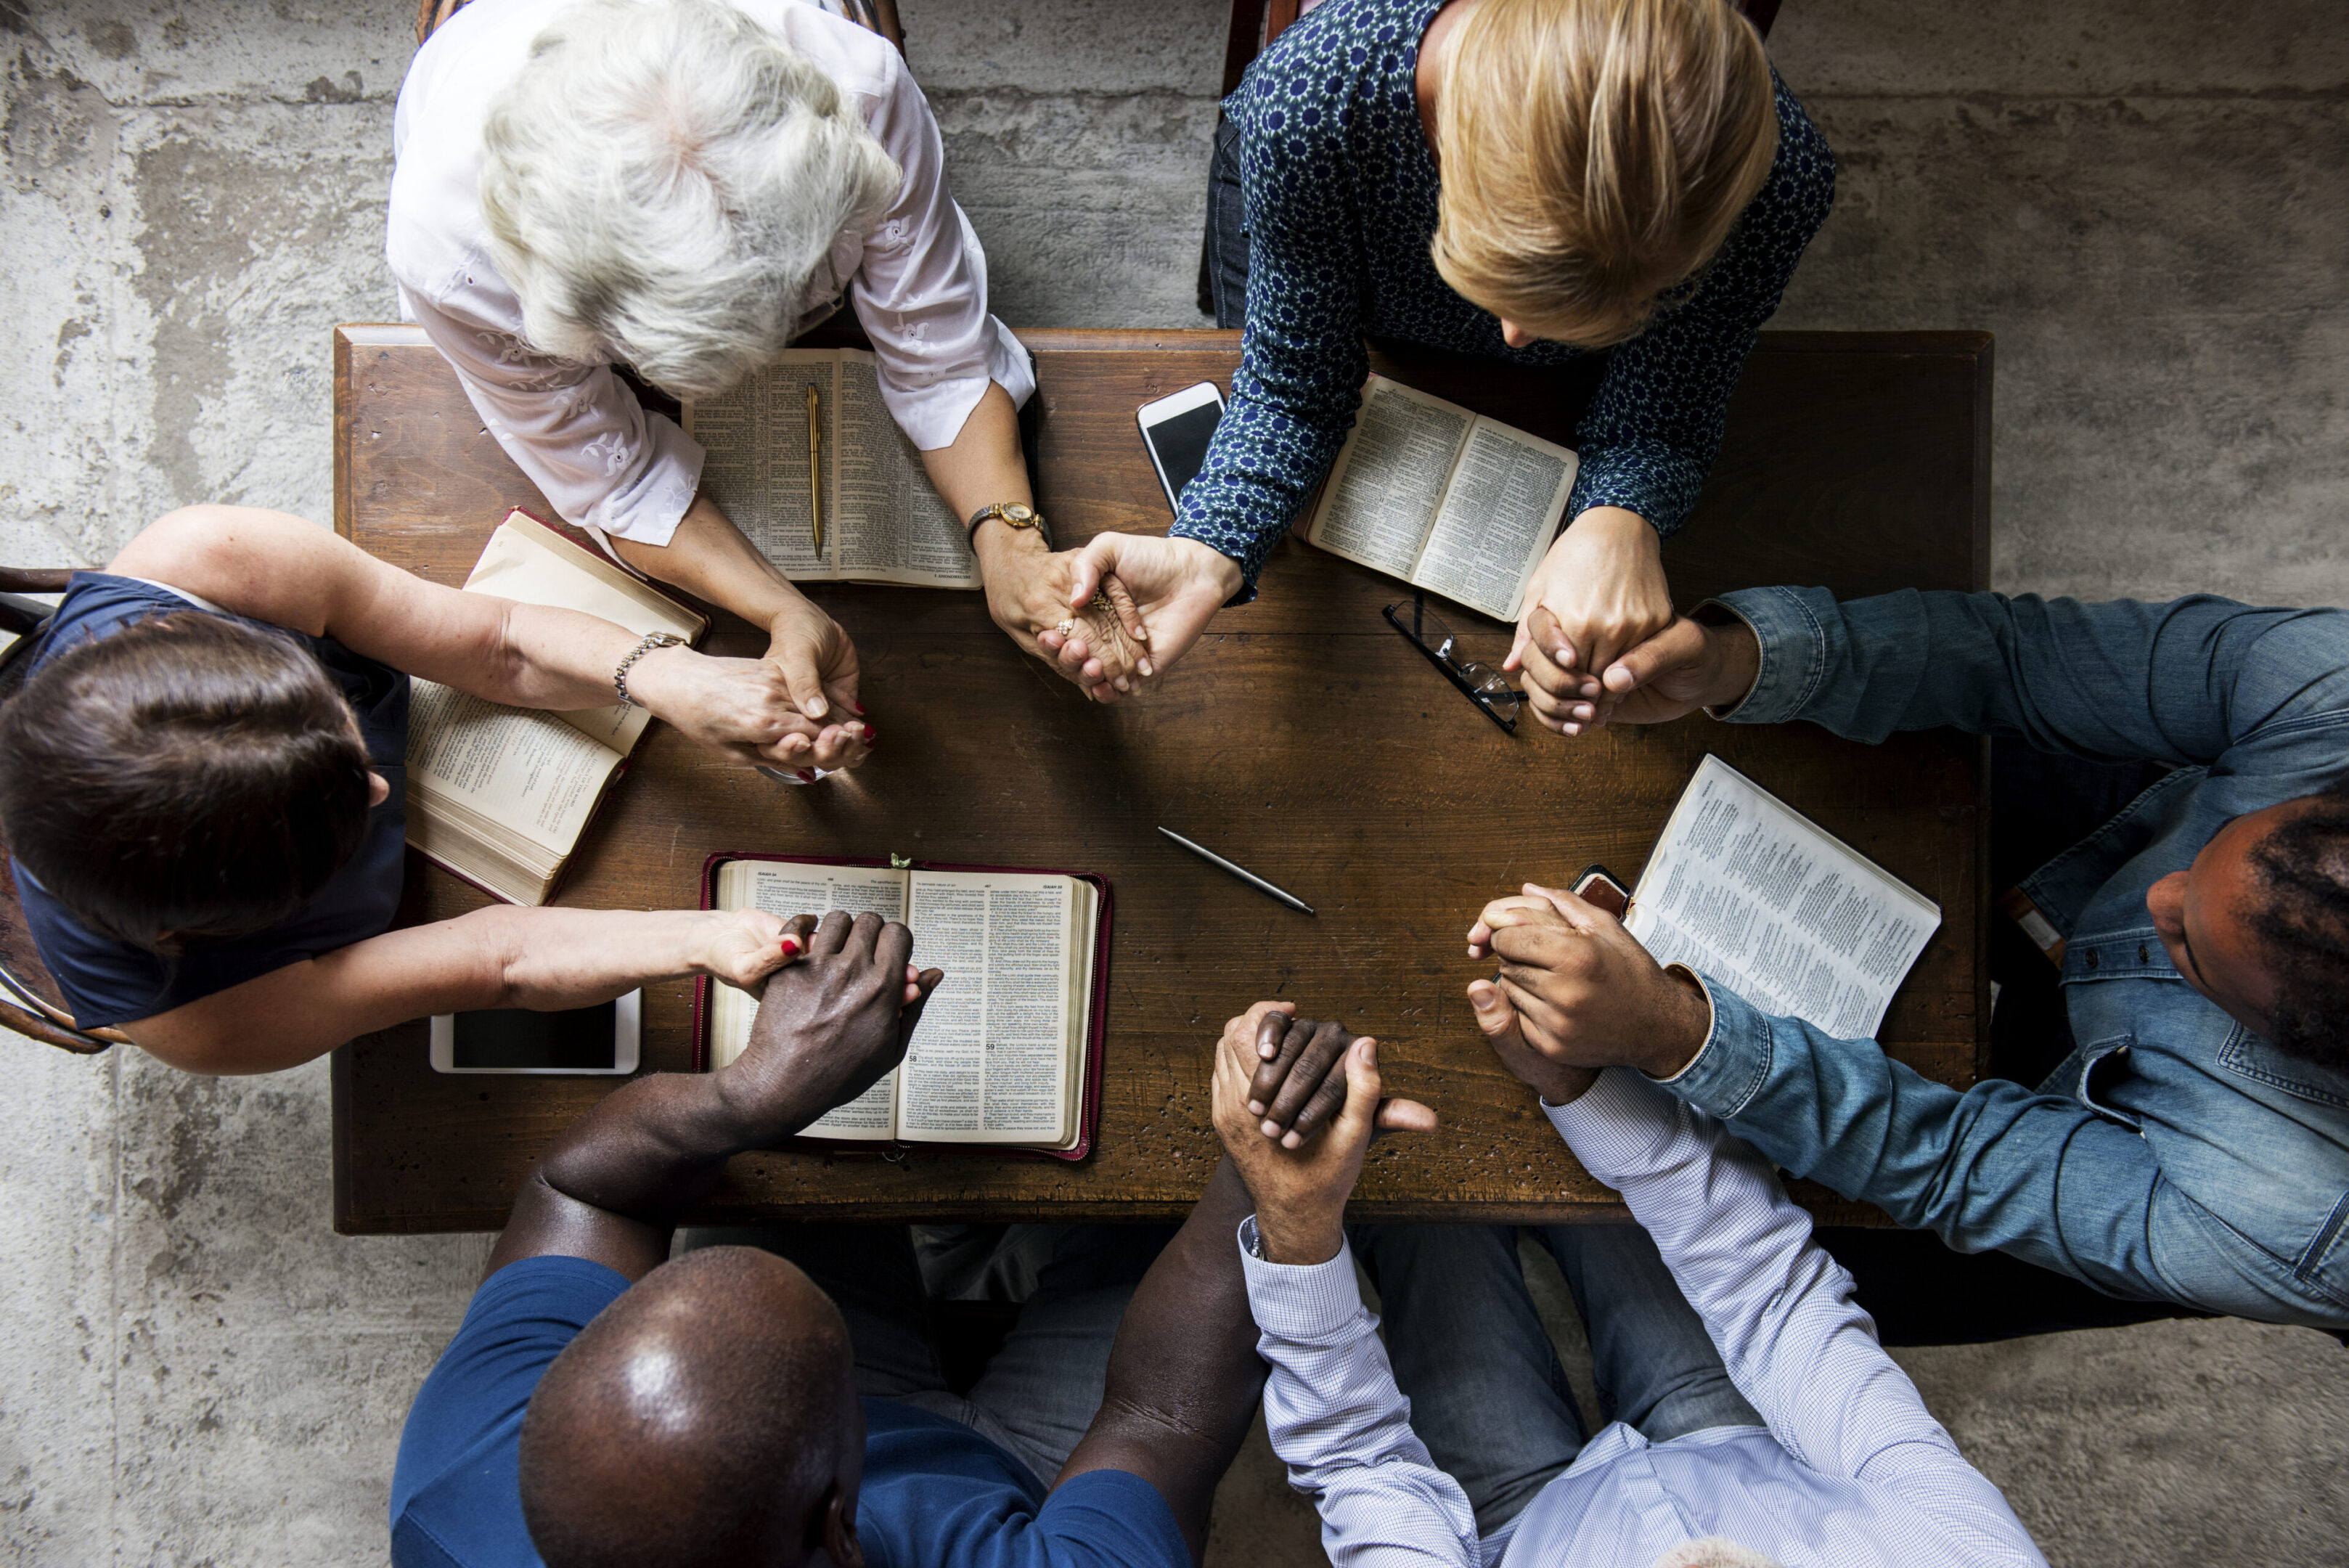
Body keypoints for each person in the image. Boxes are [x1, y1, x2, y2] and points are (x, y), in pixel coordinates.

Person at [1470, 586, 2349, 1331]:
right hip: (2109, 834)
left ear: (2282, 1040)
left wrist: (1674, 1033)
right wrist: (1739, 658)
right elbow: (2017, 656)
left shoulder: (2291, 1222)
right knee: (1827, 745)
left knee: (1796, 1279)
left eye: (2189, 948)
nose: (2159, 898)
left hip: (2158, 1153)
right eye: (2210, 851)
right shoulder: (2331, 695)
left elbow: (1951, 1162)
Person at [391, 910, 1267, 1568]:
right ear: (841, 1527)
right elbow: (1161, 1420)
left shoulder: (464, 1492)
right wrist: (1264, 1168)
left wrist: (751, 1097)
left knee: (791, 1168)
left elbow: (576, 1190)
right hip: (1038, 1478)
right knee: (1182, 1186)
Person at [1043, 0, 1834, 722]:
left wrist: (1618, 517)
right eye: (1500, 277)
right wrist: (1207, 549)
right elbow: (1293, 384)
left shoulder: (1779, 181)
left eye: (1621, 301)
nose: (1516, 338)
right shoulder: (1311, 100)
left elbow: (1669, 396)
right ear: (1446, 144)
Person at [392, 0, 1145, 725]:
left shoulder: (859, 86)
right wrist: (782, 609)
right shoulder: (449, 258)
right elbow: (615, 479)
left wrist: (1009, 543)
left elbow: (940, 355)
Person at [1213, 996, 2048, 1567]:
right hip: (1737, 1442)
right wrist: (1582, 1085)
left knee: (1416, 1188)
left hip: (1513, 1525)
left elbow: (1360, 1460)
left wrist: (1299, 1225)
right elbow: (1776, 1301)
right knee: (1605, 1155)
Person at [0, 506, 832, 1074]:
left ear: (193, 634)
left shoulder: (204, 565)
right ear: (191, 931)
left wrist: (667, 675)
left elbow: (499, 642)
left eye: (338, 732)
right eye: (331, 825)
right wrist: (705, 939)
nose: (373, 786)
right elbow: (496, 963)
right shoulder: (202, 1020)